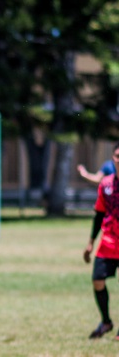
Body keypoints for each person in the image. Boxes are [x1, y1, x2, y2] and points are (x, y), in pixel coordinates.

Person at [83, 142, 119, 339]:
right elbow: (98, 214)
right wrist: (90, 242)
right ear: (112, 159)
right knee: (97, 280)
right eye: (117, 156)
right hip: (109, 242)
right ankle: (106, 321)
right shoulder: (106, 184)